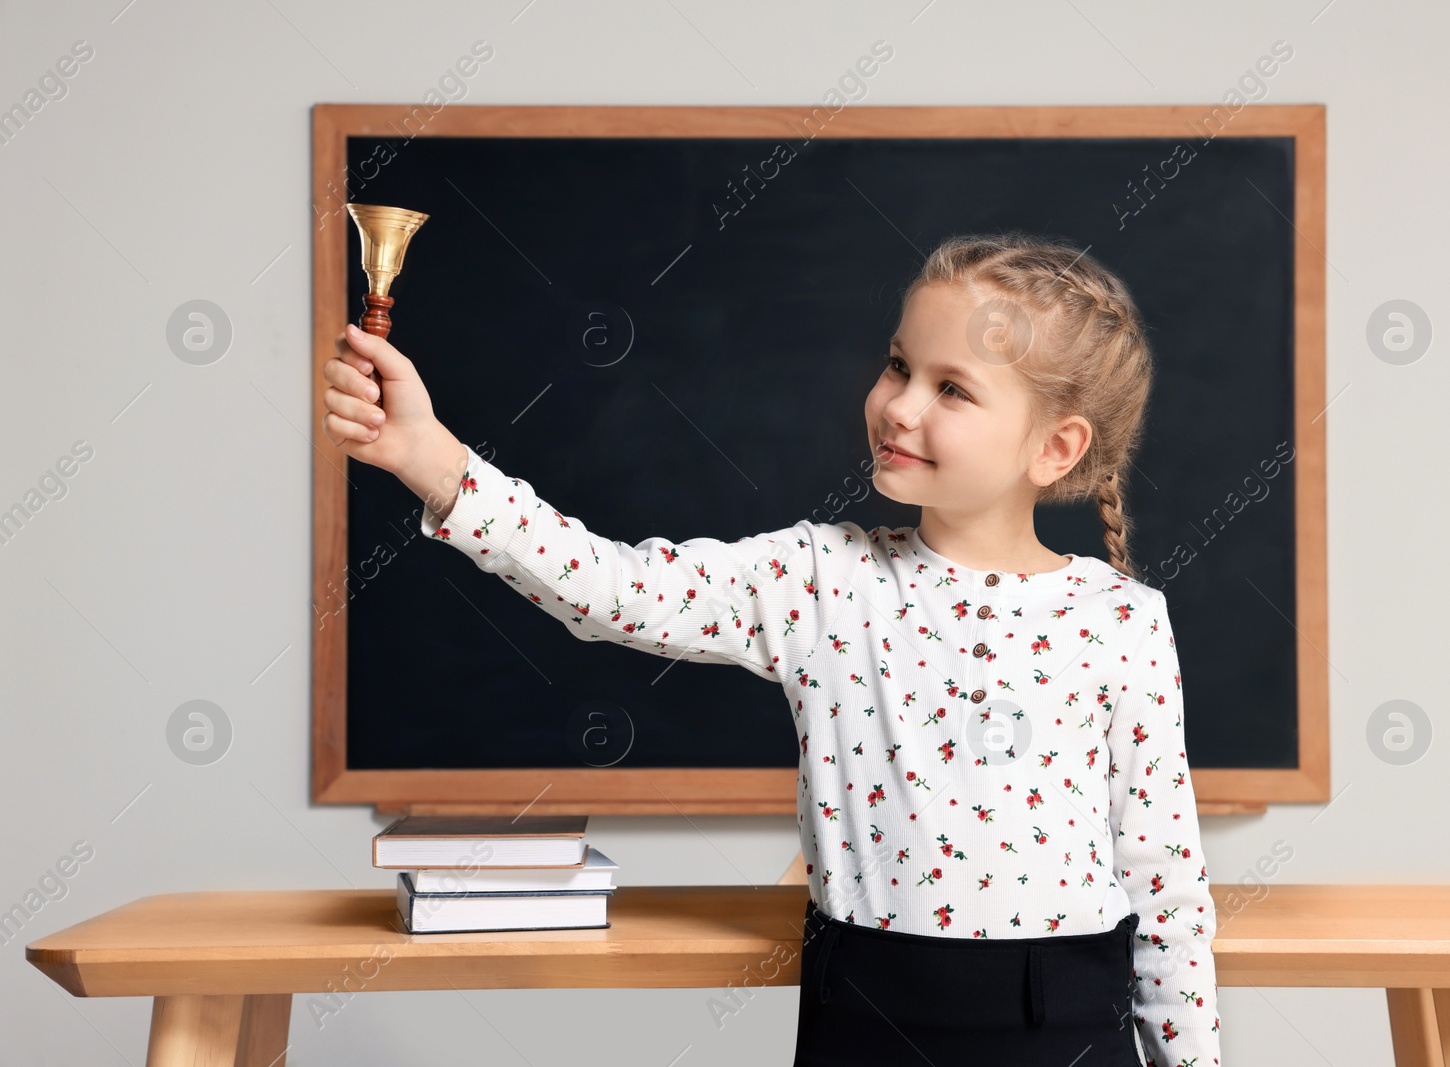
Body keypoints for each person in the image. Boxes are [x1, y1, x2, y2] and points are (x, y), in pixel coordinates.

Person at [322, 232, 1221, 1067]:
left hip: (1064, 1019)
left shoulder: (1122, 619)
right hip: (866, 1010)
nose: (900, 406)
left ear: (1055, 447)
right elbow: (614, 589)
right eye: (899, 366)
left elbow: (1165, 881)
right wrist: (430, 456)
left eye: (952, 389)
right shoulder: (822, 578)